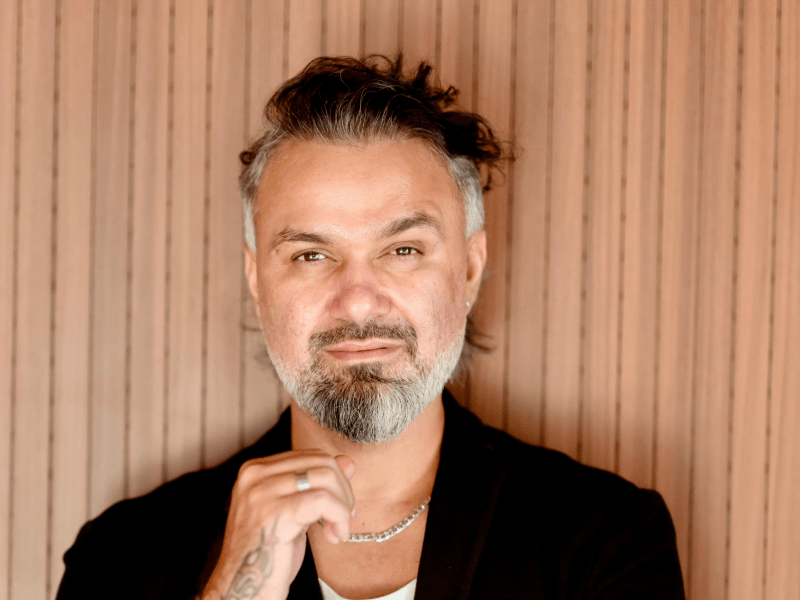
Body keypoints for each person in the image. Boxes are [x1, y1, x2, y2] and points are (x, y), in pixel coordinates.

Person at [56, 55, 685, 600]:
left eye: (403, 250)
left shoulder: (606, 540)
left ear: (469, 269)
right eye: (311, 255)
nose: (358, 303)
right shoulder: (121, 557)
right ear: (256, 280)